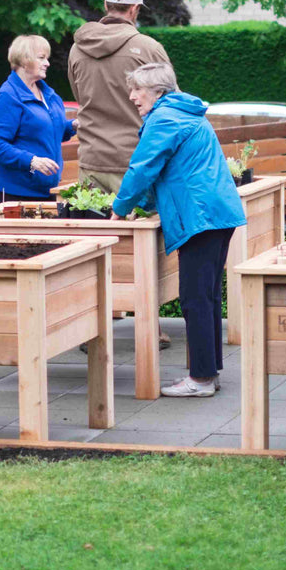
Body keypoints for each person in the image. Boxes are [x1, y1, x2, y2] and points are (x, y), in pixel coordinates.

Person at [110, 63, 246, 398]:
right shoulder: (185, 113)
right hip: (216, 213)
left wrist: (119, 208)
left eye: (137, 90)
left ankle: (200, 379)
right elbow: (169, 169)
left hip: (200, 217)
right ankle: (207, 373)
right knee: (208, 296)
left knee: (195, 298)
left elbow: (143, 167)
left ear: (156, 91)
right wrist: (145, 204)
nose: (132, 96)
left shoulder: (165, 118)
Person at [68, 0, 171, 195]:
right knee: (142, 228)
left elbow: (79, 96)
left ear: (106, 6)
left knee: (97, 228)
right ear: (135, 9)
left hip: (91, 161)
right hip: (136, 163)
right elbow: (170, 105)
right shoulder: (148, 48)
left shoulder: (77, 50)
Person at [0, 35, 77, 201]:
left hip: (48, 187)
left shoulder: (48, 93)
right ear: (24, 61)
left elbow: (49, 132)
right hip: (18, 190)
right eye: (41, 58)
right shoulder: (8, 96)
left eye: (47, 58)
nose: (47, 63)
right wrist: (32, 161)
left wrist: (74, 126)